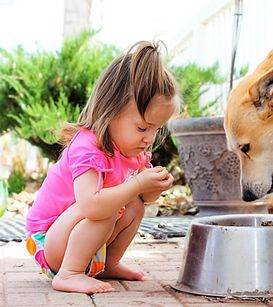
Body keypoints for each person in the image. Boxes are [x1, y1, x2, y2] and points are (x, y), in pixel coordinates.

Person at [25, 41, 179, 294]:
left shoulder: (133, 149)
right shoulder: (88, 147)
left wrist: (154, 185)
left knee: (134, 205)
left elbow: (144, 197)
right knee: (104, 208)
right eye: (142, 128)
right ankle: (69, 273)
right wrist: (138, 183)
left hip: (82, 233)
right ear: (110, 112)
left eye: (156, 129)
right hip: (50, 239)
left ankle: (108, 264)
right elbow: (90, 205)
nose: (149, 138)